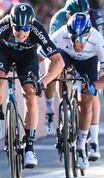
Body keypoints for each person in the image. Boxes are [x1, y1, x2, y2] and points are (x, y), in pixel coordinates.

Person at [0, 3, 64, 168]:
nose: (22, 33)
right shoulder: (3, 26)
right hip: (4, 54)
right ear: (11, 24)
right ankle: (0, 117)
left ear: (31, 25)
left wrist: (43, 81)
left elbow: (58, 61)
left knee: (30, 94)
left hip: (27, 59)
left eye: (26, 29)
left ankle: (30, 148)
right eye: (18, 29)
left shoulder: (37, 29)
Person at [43, 0, 104, 161]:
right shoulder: (61, 31)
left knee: (87, 102)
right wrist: (41, 77)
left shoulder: (97, 39)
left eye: (81, 39)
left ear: (88, 34)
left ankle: (83, 144)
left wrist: (93, 85)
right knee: (55, 64)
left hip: (89, 61)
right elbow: (40, 56)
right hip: (67, 56)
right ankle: (62, 106)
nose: (77, 43)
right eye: (73, 38)